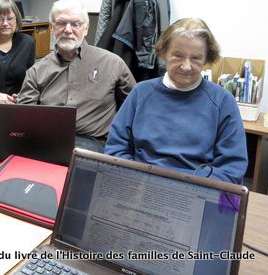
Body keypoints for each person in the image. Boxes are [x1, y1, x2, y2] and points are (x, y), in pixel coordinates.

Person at [105, 18, 248, 184]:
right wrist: (137, 178)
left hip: (197, 189)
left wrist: (191, 186)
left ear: (207, 59)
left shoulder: (223, 101)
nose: (186, 66)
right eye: (178, 56)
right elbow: (116, 147)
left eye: (195, 58)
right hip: (141, 183)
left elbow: (232, 167)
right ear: (164, 53)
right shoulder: (141, 92)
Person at [18, 0, 135, 153]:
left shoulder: (112, 63)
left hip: (95, 147)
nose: (67, 30)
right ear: (52, 28)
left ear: (86, 29)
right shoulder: (36, 71)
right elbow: (25, 119)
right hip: (48, 144)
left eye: (75, 24)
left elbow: (136, 108)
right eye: (61, 23)